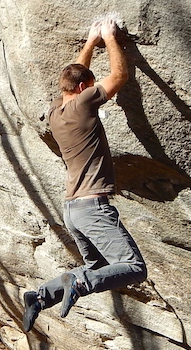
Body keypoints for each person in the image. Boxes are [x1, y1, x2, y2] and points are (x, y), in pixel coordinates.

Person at [22, 18, 147, 332]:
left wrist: (91, 41)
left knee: (97, 266)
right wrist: (109, 37)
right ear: (82, 90)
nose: (93, 90)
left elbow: (75, 72)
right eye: (89, 87)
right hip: (93, 209)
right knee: (133, 267)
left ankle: (41, 295)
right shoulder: (84, 103)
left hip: (72, 211)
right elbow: (119, 75)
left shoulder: (55, 111)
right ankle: (80, 286)